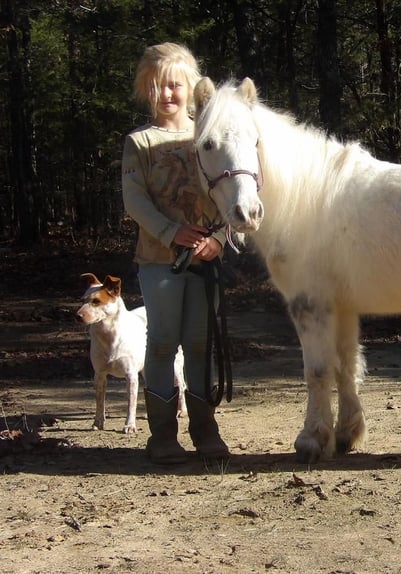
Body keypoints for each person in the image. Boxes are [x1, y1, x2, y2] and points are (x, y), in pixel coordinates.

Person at [122, 42, 229, 464]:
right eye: (155, 87)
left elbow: (230, 189)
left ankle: (205, 430)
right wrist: (171, 232)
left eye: (173, 86)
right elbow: (135, 201)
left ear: (189, 87)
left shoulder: (209, 136)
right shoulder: (139, 143)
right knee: (163, 343)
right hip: (157, 260)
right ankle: (163, 436)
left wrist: (219, 239)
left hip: (207, 260)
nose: (166, 95)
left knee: (201, 344)